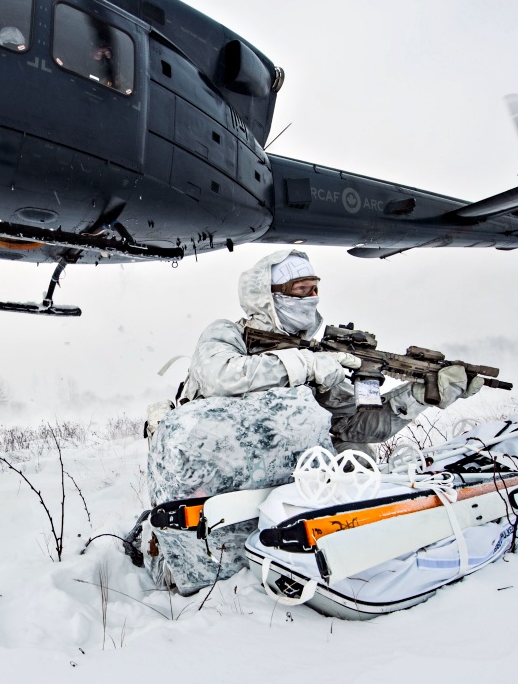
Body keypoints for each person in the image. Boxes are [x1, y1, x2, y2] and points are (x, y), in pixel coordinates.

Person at [142, 249, 483, 595]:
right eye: (299, 289)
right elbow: (219, 377)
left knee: (355, 451)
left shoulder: (320, 353)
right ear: (268, 294)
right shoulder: (228, 334)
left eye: (314, 288)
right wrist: (303, 366)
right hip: (207, 474)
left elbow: (353, 427)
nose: (310, 298)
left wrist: (421, 395)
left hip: (277, 483)